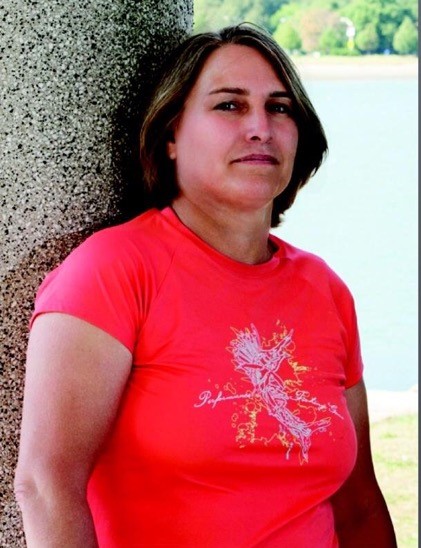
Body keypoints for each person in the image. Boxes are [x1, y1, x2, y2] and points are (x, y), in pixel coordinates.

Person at [15, 24, 397, 547]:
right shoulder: (113, 271)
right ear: (171, 134)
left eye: (280, 108)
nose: (260, 127)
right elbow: (46, 485)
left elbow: (359, 505)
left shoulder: (325, 290)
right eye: (229, 106)